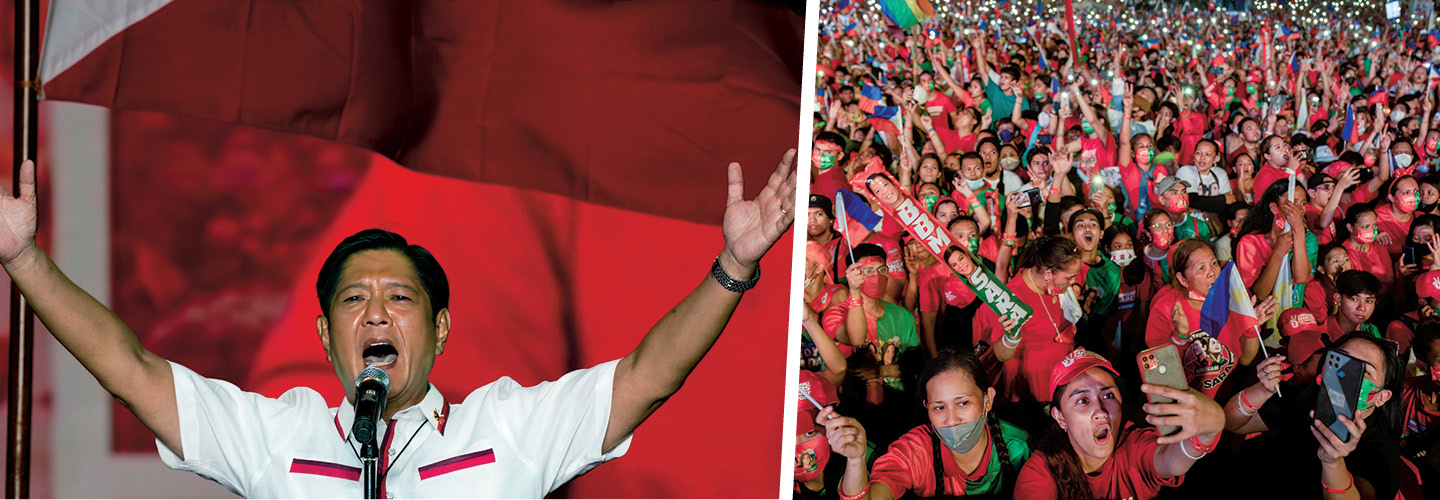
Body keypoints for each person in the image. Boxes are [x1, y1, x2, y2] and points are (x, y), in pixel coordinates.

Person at [0, 147, 797, 497]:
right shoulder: (283, 438)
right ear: (325, 339)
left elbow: (647, 375)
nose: (375, 310)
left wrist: (733, 268)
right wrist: (24, 259)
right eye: (353, 300)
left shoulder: (508, 428)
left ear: (442, 331)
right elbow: (132, 370)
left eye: (399, 297)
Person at [1013, 348, 1225, 499]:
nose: (1100, 411)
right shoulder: (1041, 472)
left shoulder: (1133, 443)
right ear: (1060, 417)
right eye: (1082, 400)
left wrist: (1211, 426)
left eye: (1108, 396)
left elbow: (1170, 461)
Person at [818, 349, 1032, 499]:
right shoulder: (915, 451)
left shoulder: (1020, 447)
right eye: (939, 407)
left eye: (963, 403)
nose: (952, 420)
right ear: (927, 407)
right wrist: (855, 460)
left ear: (988, 400)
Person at [1223, 333, 1407, 500]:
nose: (1346, 374)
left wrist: (1332, 462)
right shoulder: (1305, 397)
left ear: (1381, 397)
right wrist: (1261, 390)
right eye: (1342, 359)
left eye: (1363, 371)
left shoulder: (1381, 452)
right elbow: (1232, 424)